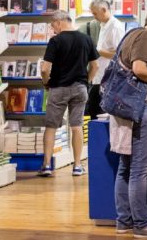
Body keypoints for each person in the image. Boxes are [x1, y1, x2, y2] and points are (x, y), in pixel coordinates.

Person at [113, 9, 147, 239]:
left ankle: (124, 220)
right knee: (140, 168)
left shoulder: (130, 34)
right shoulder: (146, 37)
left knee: (125, 167)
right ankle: (142, 224)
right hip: (140, 106)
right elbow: (139, 68)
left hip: (124, 107)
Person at [40, 10, 99, 177]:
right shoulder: (86, 39)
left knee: (51, 127)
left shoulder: (55, 41)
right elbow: (95, 66)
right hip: (80, 88)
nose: (53, 30)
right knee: (77, 126)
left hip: (58, 88)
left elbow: (45, 68)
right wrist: (86, 81)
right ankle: (77, 165)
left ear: (59, 22)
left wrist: (46, 83)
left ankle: (46, 165)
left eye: (53, 26)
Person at [88, 0, 124, 119]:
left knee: (99, 114)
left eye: (95, 13)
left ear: (103, 10)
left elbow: (119, 54)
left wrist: (97, 51)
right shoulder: (103, 25)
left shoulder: (116, 27)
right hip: (100, 77)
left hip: (109, 79)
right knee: (93, 113)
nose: (94, 17)